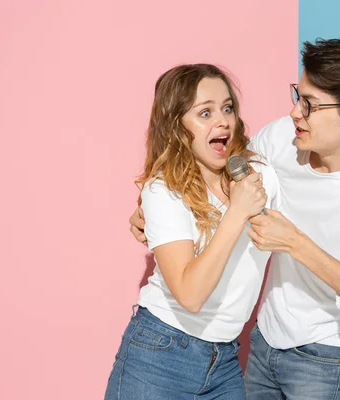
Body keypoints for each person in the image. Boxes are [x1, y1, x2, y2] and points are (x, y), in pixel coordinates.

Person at [129, 39, 340, 399]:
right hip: (261, 344)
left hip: (326, 356)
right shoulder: (282, 140)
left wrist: (296, 244)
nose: (295, 113)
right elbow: (212, 171)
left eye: (310, 105)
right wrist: (152, 213)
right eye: (299, 95)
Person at [104, 63, 281, 400]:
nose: (223, 121)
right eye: (205, 113)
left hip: (225, 359)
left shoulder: (259, 176)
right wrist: (236, 212)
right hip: (159, 356)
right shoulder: (164, 191)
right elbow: (190, 295)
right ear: (177, 127)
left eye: (227, 108)